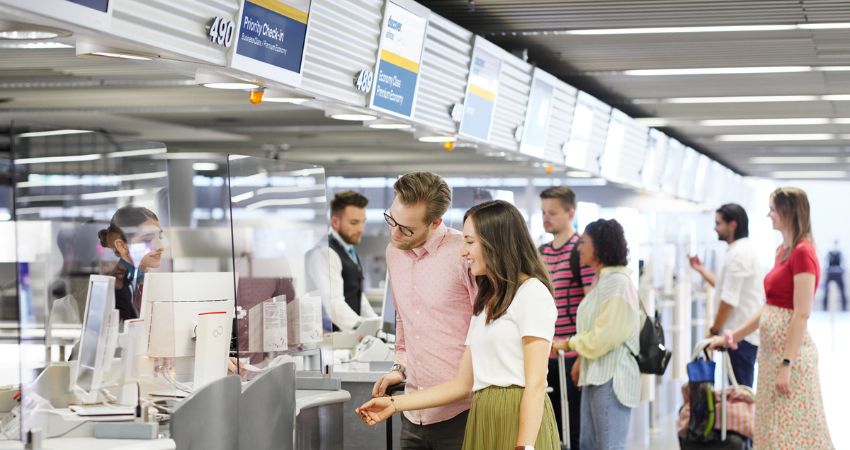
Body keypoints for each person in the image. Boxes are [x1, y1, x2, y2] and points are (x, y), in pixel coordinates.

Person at [357, 200, 560, 450]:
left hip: (517, 418)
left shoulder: (532, 294)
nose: (463, 252)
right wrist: (395, 404)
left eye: (470, 242)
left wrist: (525, 447)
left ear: (497, 243)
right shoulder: (486, 301)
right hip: (482, 417)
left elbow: (536, 384)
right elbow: (460, 385)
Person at [711, 187, 833, 448]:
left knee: (792, 431)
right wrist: (734, 335)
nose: (769, 215)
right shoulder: (783, 251)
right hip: (770, 356)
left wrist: (787, 364)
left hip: (791, 358)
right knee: (770, 427)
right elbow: (769, 307)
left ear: (789, 212)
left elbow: (801, 313)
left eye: (773, 209)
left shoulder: (803, 253)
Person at [371, 172, 477, 449]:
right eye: (391, 220)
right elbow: (404, 318)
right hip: (412, 410)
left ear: (435, 222)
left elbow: (485, 327)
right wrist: (400, 366)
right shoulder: (393, 253)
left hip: (463, 412)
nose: (394, 233)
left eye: (406, 229)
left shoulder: (463, 255)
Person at [552, 218, 640, 450]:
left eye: (584, 242)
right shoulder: (602, 281)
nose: (579, 248)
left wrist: (568, 344)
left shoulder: (618, 283)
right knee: (589, 445)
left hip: (611, 378)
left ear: (600, 246)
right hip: (596, 375)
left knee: (608, 446)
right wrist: (581, 358)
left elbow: (605, 336)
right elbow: (594, 329)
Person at [537, 186, 594, 449]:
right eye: (543, 212)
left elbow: (590, 307)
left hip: (571, 356)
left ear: (571, 213)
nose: (546, 218)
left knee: (573, 427)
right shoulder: (542, 252)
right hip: (546, 354)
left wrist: (583, 356)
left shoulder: (581, 251)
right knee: (551, 426)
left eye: (552, 212)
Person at [688, 203, 763, 387]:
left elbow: (729, 299)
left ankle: (742, 418)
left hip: (740, 336)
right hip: (738, 335)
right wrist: (701, 270)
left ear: (733, 225)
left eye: (718, 223)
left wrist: (714, 330)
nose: (715, 228)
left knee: (740, 394)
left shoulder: (739, 255)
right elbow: (724, 287)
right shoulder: (739, 251)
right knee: (736, 391)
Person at [305, 190, 377, 331]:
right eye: (354, 222)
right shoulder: (324, 253)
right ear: (335, 222)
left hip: (347, 337)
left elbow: (356, 294)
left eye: (363, 222)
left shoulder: (348, 249)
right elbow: (334, 305)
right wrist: (363, 328)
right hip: (330, 340)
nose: (361, 229)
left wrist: (376, 323)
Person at [97, 205, 166, 322]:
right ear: (122, 246)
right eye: (148, 239)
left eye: (160, 237)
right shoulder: (116, 288)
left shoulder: (144, 280)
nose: (160, 247)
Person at [822, 240, 847, 311]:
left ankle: (844, 307)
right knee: (826, 290)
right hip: (830, 274)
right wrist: (825, 272)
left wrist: (842, 270)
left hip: (838, 274)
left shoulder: (840, 253)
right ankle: (824, 307)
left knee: (842, 290)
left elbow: (844, 263)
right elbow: (825, 263)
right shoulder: (829, 253)